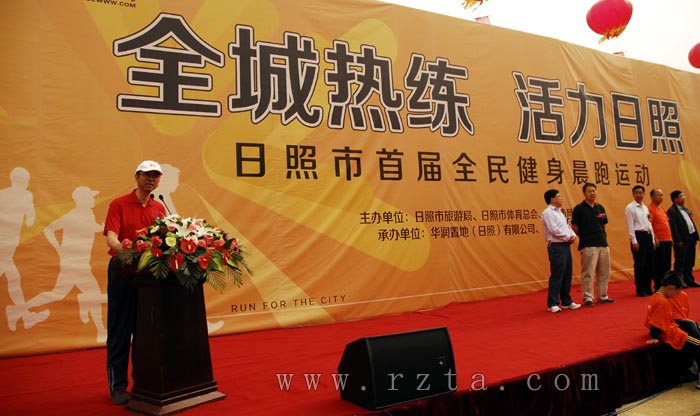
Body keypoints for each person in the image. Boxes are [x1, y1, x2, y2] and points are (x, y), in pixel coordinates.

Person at [103, 160, 166, 405]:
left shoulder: (159, 208)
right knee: (120, 330)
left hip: (149, 275)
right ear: (137, 176)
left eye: (156, 176)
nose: (151, 179)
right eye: (147, 175)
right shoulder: (118, 204)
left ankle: (143, 382)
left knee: (146, 331)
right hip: (123, 271)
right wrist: (129, 253)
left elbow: (165, 241)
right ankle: (118, 386)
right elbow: (111, 238)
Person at [645, 271, 700, 389]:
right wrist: (654, 336)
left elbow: (652, 320)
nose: (677, 294)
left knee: (693, 329)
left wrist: (654, 335)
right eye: (677, 291)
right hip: (673, 334)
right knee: (698, 343)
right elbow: (657, 323)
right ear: (671, 288)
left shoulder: (654, 297)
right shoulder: (663, 302)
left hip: (671, 330)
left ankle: (693, 367)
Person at [571, 182, 615, 307]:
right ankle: (588, 297)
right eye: (589, 191)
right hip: (588, 244)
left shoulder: (600, 207)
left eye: (594, 191)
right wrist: (584, 237)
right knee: (588, 272)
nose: (592, 193)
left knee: (604, 271)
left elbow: (603, 224)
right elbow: (575, 227)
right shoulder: (579, 209)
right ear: (584, 193)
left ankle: (603, 296)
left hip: (603, 243)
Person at [541, 189, 580, 313]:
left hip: (565, 245)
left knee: (567, 273)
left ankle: (566, 301)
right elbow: (554, 230)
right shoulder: (547, 213)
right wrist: (568, 237)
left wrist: (572, 235)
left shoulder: (559, 212)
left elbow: (566, 227)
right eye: (558, 196)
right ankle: (552, 303)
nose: (561, 198)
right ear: (552, 199)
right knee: (557, 274)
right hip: (556, 247)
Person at [625, 185, 656, 297]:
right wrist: (634, 241)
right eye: (637, 193)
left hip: (648, 236)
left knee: (649, 264)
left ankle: (648, 287)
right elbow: (630, 225)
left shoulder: (645, 208)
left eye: (641, 193)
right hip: (638, 236)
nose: (639, 195)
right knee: (640, 264)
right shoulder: (630, 208)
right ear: (633, 194)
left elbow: (649, 224)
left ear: (644, 194)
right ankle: (640, 288)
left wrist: (653, 239)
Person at [667, 190, 700, 288]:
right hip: (682, 240)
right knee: (680, 262)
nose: (684, 198)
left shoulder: (685, 209)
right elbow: (674, 227)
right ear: (675, 199)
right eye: (681, 196)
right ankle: (680, 281)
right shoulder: (672, 211)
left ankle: (689, 280)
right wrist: (678, 240)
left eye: (683, 196)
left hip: (691, 237)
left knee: (690, 261)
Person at [648, 188, 673, 292]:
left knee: (667, 264)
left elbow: (666, 223)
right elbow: (649, 225)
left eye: (662, 195)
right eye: (658, 195)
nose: (661, 197)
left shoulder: (662, 209)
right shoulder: (649, 209)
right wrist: (655, 238)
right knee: (659, 264)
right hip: (659, 241)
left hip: (668, 239)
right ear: (652, 197)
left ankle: (666, 284)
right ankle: (658, 285)